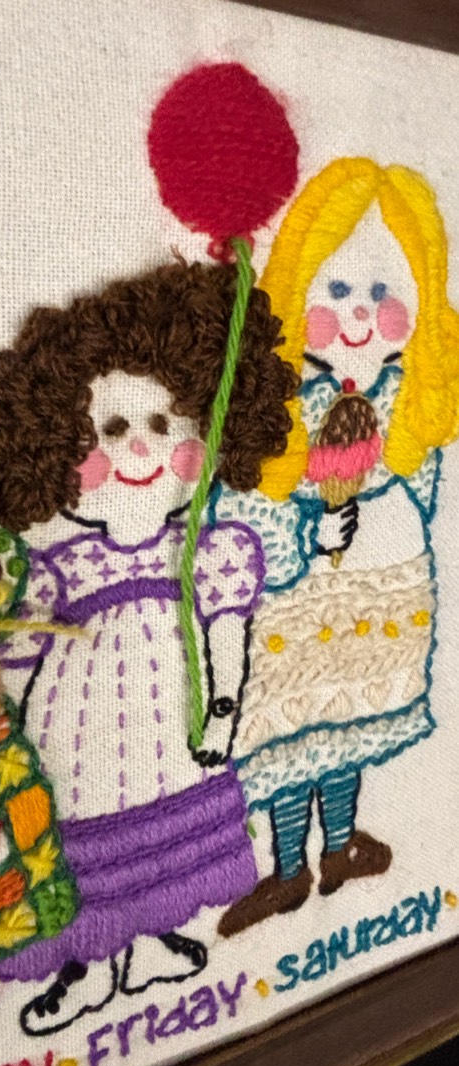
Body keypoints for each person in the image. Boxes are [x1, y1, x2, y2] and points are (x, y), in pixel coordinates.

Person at [0, 258, 298, 1033]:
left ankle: (151, 943)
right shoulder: (60, 566)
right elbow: (18, 652)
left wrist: (222, 711)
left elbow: (227, 634)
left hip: (174, 727)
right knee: (83, 837)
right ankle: (87, 966)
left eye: (164, 425)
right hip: (76, 735)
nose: (141, 449)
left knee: (171, 826)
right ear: (53, 447)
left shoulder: (208, 551)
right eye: (111, 430)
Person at [213, 158, 459, 936]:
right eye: (340, 291)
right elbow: (242, 505)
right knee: (296, 732)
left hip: (385, 598)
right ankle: (288, 867)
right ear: (296, 296)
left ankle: (342, 844)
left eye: (384, 296)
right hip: (302, 603)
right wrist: (304, 532)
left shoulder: (408, 401)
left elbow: (421, 486)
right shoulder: (283, 404)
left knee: (351, 727)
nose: (360, 314)